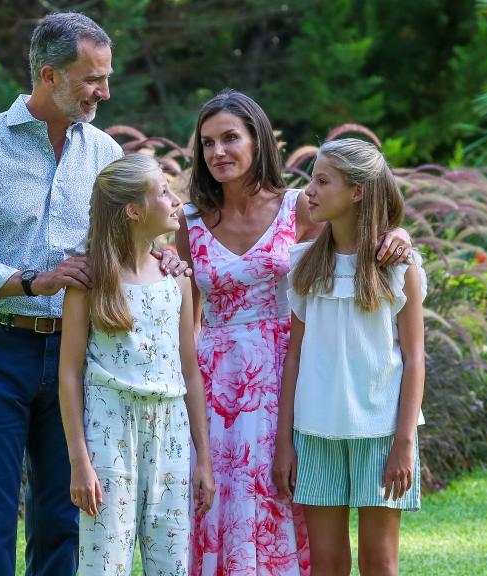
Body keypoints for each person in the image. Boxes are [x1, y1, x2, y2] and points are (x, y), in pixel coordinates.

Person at [0, 12, 184, 576]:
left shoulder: (105, 153)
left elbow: (126, 238)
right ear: (49, 75)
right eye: (92, 79)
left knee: (64, 523)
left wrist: (159, 254)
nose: (105, 91)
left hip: (80, 354)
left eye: (107, 77)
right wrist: (35, 280)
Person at [174, 90, 412, 576]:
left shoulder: (298, 207)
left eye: (230, 138)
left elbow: (351, 245)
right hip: (217, 385)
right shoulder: (189, 221)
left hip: (292, 379)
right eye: (207, 143)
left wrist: (399, 234)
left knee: (288, 506)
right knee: (220, 511)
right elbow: (185, 317)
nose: (218, 151)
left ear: (257, 140)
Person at [273, 138, 426, 576]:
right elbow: (294, 357)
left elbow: (414, 358)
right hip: (314, 432)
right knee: (327, 563)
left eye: (323, 181)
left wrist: (404, 442)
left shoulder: (398, 267)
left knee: (379, 562)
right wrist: (284, 442)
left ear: (357, 192)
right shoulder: (303, 265)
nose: (310, 191)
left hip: (381, 432)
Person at [59, 154, 216, 576]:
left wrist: (203, 458)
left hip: (171, 432)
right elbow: (69, 374)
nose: (175, 200)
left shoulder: (176, 278)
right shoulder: (89, 282)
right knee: (104, 561)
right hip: (110, 432)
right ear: (133, 211)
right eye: (163, 192)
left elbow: (189, 372)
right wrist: (79, 462)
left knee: (171, 561)